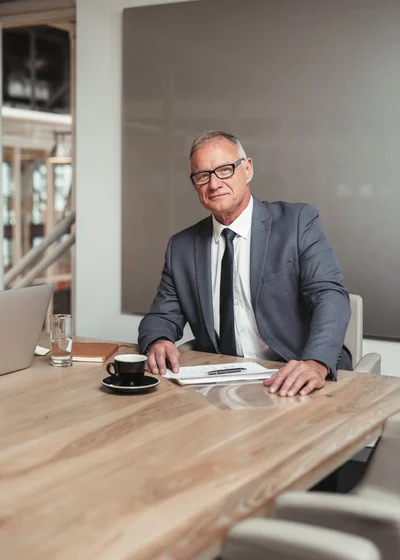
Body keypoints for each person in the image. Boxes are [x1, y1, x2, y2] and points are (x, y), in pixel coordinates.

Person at [138, 130, 352, 396]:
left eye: (224, 170)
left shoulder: (296, 223)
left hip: (294, 374)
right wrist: (158, 340)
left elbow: (330, 296)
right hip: (222, 385)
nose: (214, 184)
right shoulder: (181, 247)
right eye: (202, 176)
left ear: (247, 169)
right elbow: (161, 316)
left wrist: (316, 363)